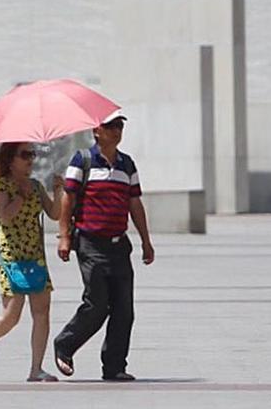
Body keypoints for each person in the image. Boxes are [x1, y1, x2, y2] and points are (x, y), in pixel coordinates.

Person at [53, 112, 154, 381]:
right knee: (97, 304)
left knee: (124, 309)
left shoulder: (127, 164)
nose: (117, 131)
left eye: (120, 126)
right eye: (111, 126)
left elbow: (135, 203)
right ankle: (64, 345)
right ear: (96, 130)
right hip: (90, 243)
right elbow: (68, 199)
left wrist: (146, 241)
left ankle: (114, 367)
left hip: (120, 246)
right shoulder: (83, 160)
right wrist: (64, 236)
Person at [0, 142, 64, 382]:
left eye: (32, 154)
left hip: (35, 256)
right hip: (11, 257)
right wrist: (21, 196)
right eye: (25, 155)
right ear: (10, 159)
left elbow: (54, 213)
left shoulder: (35, 185)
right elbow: (5, 215)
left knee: (42, 312)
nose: (31, 160)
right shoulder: (0, 185)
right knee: (11, 316)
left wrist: (58, 191)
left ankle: (36, 369)